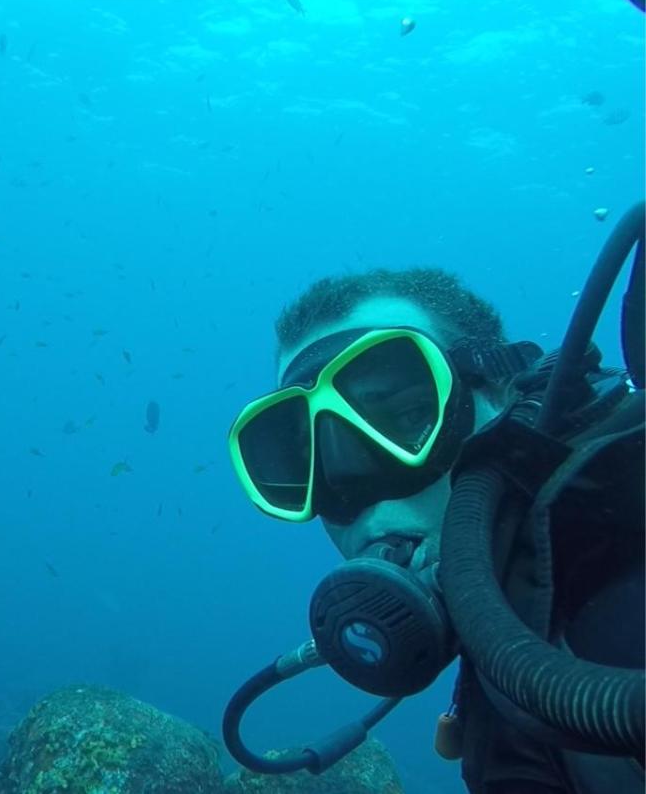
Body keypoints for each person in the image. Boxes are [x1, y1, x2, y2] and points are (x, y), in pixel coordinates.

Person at [222, 265, 644, 793]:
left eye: (407, 415)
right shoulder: (514, 653)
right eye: (309, 458)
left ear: (508, 400)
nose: (356, 485)